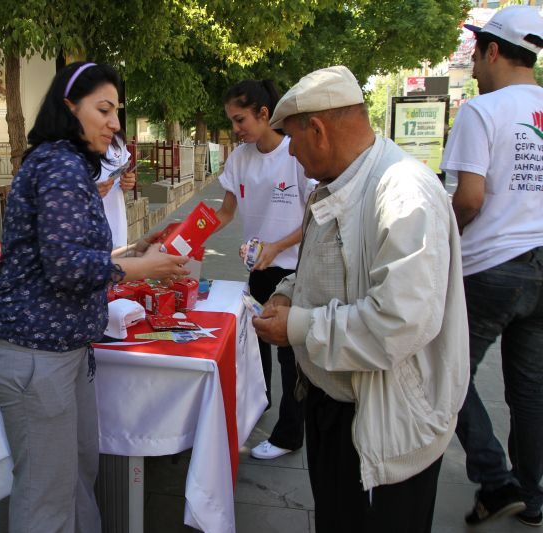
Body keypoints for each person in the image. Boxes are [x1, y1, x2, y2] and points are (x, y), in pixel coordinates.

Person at [252, 65, 469, 533]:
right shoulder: (335, 184)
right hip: (334, 404)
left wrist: (295, 327)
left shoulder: (403, 190)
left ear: (318, 130)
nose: (290, 151)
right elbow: (316, 265)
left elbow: (396, 323)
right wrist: (287, 294)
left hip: (386, 421)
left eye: (292, 138)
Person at [0, 61, 189, 533]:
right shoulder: (58, 162)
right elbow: (67, 268)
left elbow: (68, 250)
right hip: (34, 351)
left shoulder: (68, 163)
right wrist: (143, 267)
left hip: (61, 350)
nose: (115, 123)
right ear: (69, 107)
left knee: (74, 477)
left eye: (117, 111)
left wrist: (132, 250)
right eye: (104, 109)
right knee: (46, 495)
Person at [440, 6, 543, 527]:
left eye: (476, 55)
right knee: (530, 389)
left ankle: (496, 480)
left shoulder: (483, 112)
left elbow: (471, 198)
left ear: (493, 51)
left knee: (446, 370)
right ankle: (532, 494)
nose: (475, 67)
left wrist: (444, 241)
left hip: (493, 268)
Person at [213, 79, 313, 460]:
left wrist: (278, 246)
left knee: (290, 356)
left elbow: (315, 215)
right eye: (232, 121)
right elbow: (223, 213)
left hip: (292, 273)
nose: (236, 129)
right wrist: (182, 235)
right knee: (254, 347)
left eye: (240, 120)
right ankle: (259, 408)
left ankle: (290, 435)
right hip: (259, 270)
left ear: (264, 114)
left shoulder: (297, 152)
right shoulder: (240, 158)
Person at [96, 133, 137, 248]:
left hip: (117, 225)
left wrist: (127, 183)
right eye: (105, 113)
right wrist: (89, 194)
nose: (115, 122)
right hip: (89, 232)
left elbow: (122, 181)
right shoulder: (70, 148)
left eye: (115, 113)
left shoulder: (117, 140)